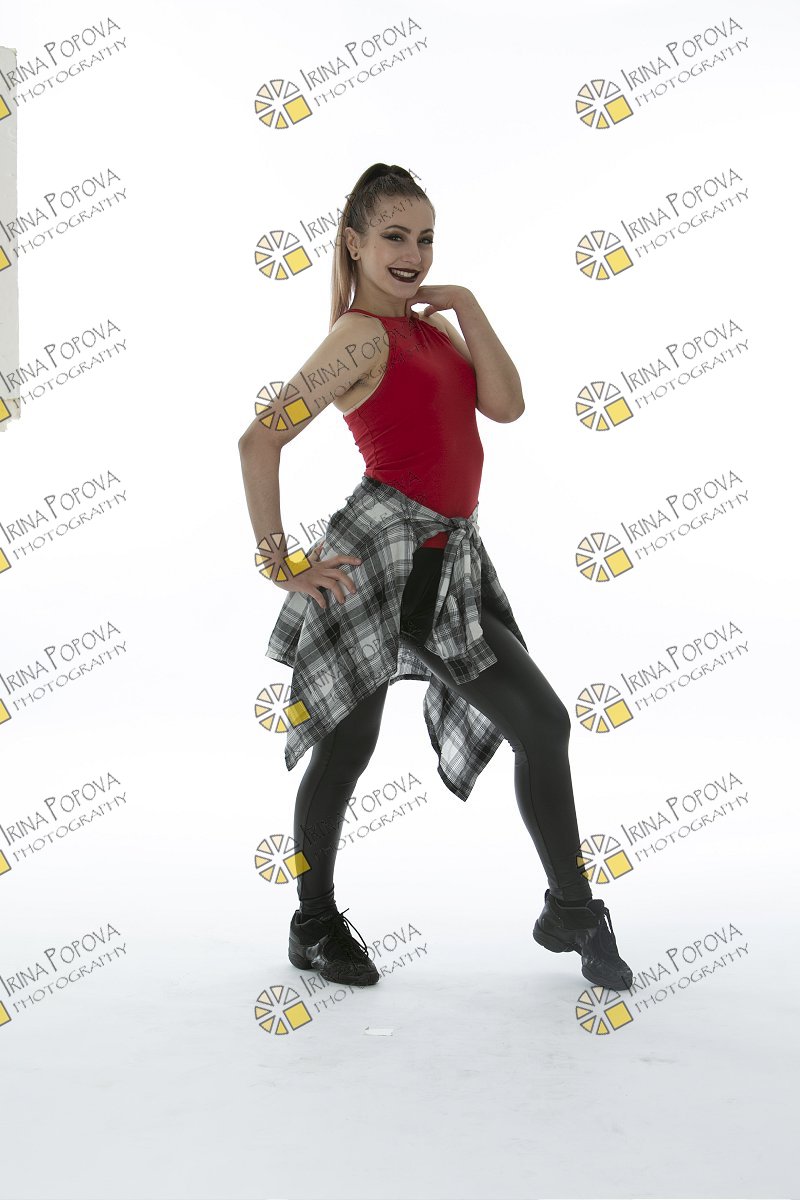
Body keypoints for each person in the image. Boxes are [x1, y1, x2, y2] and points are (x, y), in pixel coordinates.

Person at [238, 163, 634, 995]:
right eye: (394, 236)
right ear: (354, 242)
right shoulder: (359, 337)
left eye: (424, 239)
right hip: (387, 561)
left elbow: (507, 405)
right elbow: (260, 440)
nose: (412, 254)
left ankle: (568, 909)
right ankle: (316, 920)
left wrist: (467, 306)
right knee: (361, 743)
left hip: (449, 559)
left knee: (532, 726)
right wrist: (282, 565)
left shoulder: (429, 330)